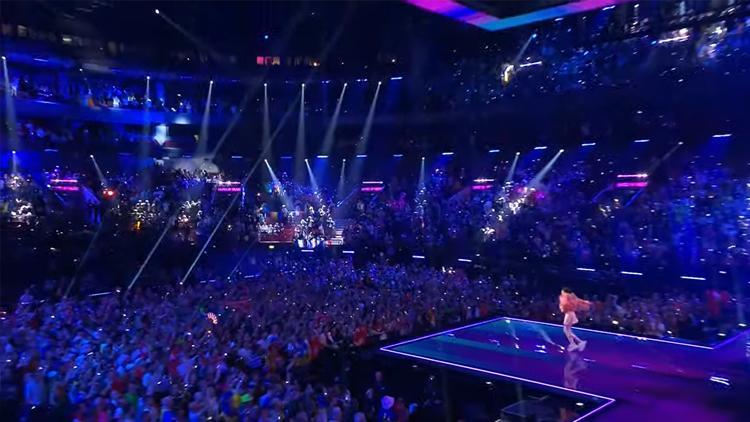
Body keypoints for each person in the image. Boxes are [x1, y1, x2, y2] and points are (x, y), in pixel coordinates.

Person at [559, 287, 591, 352]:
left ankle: (576, 343)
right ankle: (575, 343)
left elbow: (564, 306)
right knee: (567, 330)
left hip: (569, 313)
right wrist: (585, 302)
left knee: (566, 330)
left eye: (562, 291)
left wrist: (561, 306)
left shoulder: (566, 296)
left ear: (564, 291)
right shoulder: (572, 297)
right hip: (570, 313)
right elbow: (578, 300)